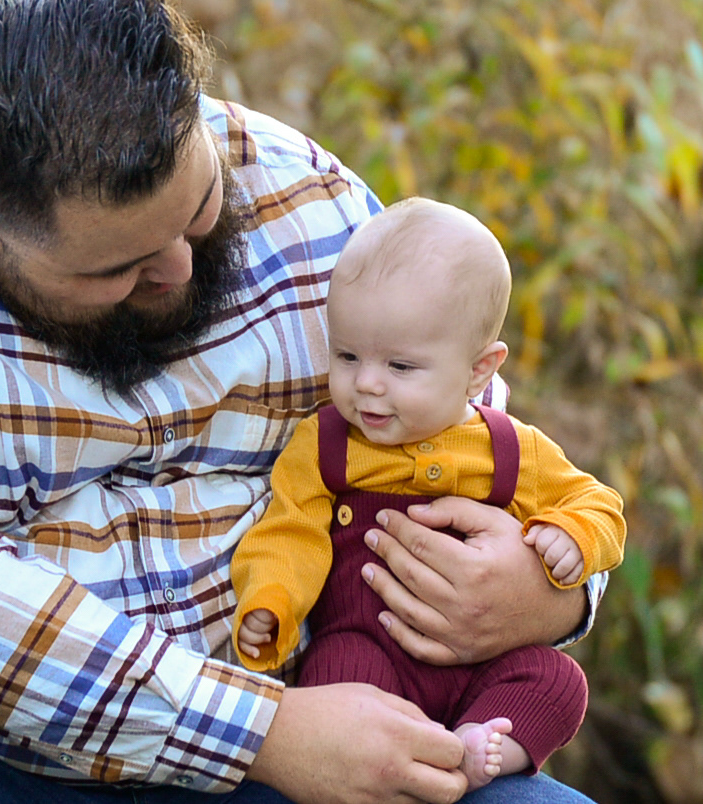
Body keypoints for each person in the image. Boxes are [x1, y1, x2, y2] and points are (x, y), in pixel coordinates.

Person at [0, 1, 602, 802]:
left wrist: (550, 591)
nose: (176, 266)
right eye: (119, 266)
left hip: (300, 725)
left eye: (196, 208)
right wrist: (265, 734)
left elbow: (465, 430)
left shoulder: (308, 197)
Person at [231, 198, 626, 790]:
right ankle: (401, 762)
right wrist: (271, 600)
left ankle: (479, 744)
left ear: (479, 370)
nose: (367, 382)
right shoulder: (325, 445)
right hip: (370, 649)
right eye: (347, 356)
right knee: (337, 673)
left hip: (481, 666)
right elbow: (290, 531)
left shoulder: (509, 449)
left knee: (558, 682)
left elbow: (598, 505)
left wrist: (573, 536)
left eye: (400, 366)